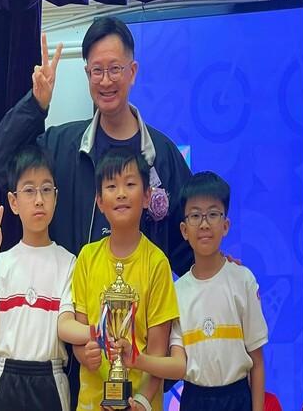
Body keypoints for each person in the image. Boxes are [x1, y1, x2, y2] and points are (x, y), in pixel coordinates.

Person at [0, 16, 193, 278]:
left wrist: (217, 267)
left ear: (132, 72)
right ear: (87, 74)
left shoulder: (162, 154)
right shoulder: (61, 145)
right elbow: (6, 162)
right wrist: (35, 105)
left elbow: (188, 242)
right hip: (73, 299)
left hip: (144, 302)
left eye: (115, 69)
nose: (106, 81)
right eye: (97, 71)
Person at [119, 171, 268, 411]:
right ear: (184, 230)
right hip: (193, 399)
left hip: (237, 398)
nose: (204, 224)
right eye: (195, 215)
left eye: (213, 214)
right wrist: (137, 361)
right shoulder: (178, 292)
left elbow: (257, 362)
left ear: (226, 225)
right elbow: (179, 364)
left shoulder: (243, 280)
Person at [0, 145, 94, 411]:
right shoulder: (1, 262)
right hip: (5, 379)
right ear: (14, 202)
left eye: (46, 189)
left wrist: (100, 332)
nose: (39, 199)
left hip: (51, 379)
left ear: (56, 197)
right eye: (29, 190)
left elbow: (65, 325)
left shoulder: (68, 262)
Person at [72, 146, 179, 411]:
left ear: (147, 196)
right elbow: (79, 339)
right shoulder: (86, 258)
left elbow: (158, 352)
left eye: (130, 184)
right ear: (99, 201)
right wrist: (86, 354)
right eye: (111, 186)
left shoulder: (157, 263)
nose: (120, 193)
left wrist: (141, 402)